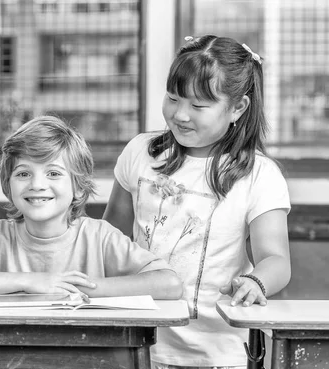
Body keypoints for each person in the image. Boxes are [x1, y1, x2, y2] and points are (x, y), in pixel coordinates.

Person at [103, 35, 291, 368]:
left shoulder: (258, 174)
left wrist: (255, 281)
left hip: (219, 352)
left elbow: (276, 259)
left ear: (237, 108)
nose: (180, 114)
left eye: (198, 106)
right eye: (173, 98)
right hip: (137, 343)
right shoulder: (141, 153)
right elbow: (107, 240)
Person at [0, 115, 183, 299]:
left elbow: (169, 283)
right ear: (8, 185)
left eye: (53, 173)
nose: (37, 185)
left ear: (79, 186)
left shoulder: (100, 237)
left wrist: (72, 288)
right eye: (23, 174)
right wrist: (31, 282)